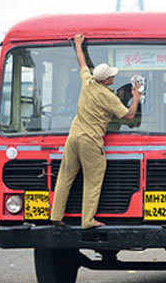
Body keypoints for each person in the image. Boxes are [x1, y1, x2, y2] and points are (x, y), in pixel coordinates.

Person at [50, 34, 141, 229]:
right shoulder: (108, 97)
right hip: (90, 141)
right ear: (107, 80)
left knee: (65, 176)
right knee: (93, 179)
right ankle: (88, 220)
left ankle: (56, 216)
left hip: (73, 136)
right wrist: (136, 95)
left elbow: (82, 62)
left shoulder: (87, 82)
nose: (114, 77)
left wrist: (78, 44)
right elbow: (129, 116)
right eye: (112, 76)